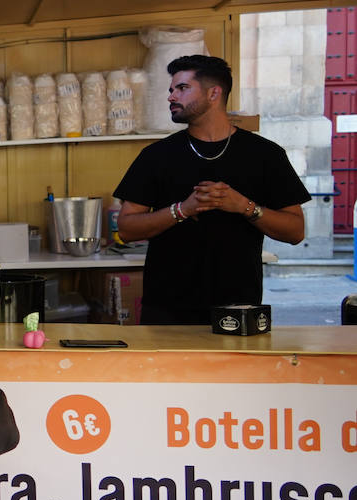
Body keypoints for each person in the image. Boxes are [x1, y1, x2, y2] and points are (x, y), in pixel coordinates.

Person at [114, 55, 309, 324]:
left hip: (238, 308)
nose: (171, 96)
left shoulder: (266, 155)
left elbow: (295, 231)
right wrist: (182, 209)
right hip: (167, 308)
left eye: (182, 88)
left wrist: (244, 207)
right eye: (171, 90)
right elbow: (126, 228)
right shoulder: (156, 156)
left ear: (214, 93)